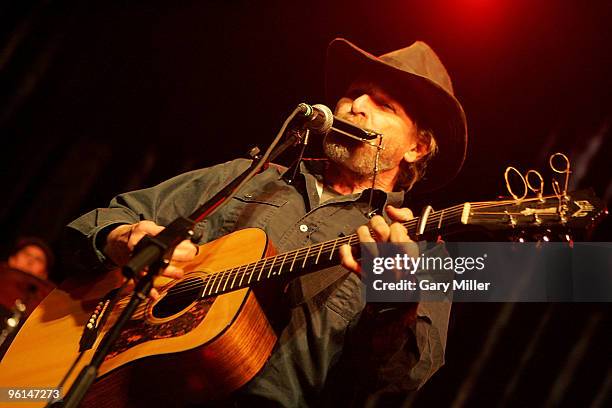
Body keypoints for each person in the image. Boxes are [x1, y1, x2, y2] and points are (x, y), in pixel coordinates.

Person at [65, 38, 467, 406]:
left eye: (384, 105)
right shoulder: (249, 175)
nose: (355, 105)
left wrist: (396, 303)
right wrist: (121, 237)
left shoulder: (422, 250)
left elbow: (402, 377)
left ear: (417, 147)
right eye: (351, 94)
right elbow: (101, 220)